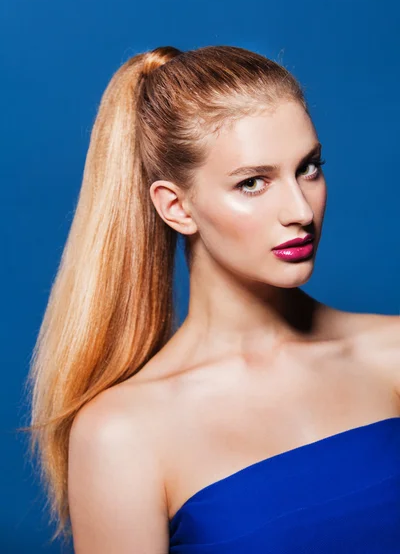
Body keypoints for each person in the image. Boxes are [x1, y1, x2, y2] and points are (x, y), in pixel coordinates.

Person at [25, 45, 400, 553]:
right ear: (177, 207)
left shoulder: (391, 354)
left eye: (308, 168)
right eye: (252, 183)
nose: (299, 210)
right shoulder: (122, 434)